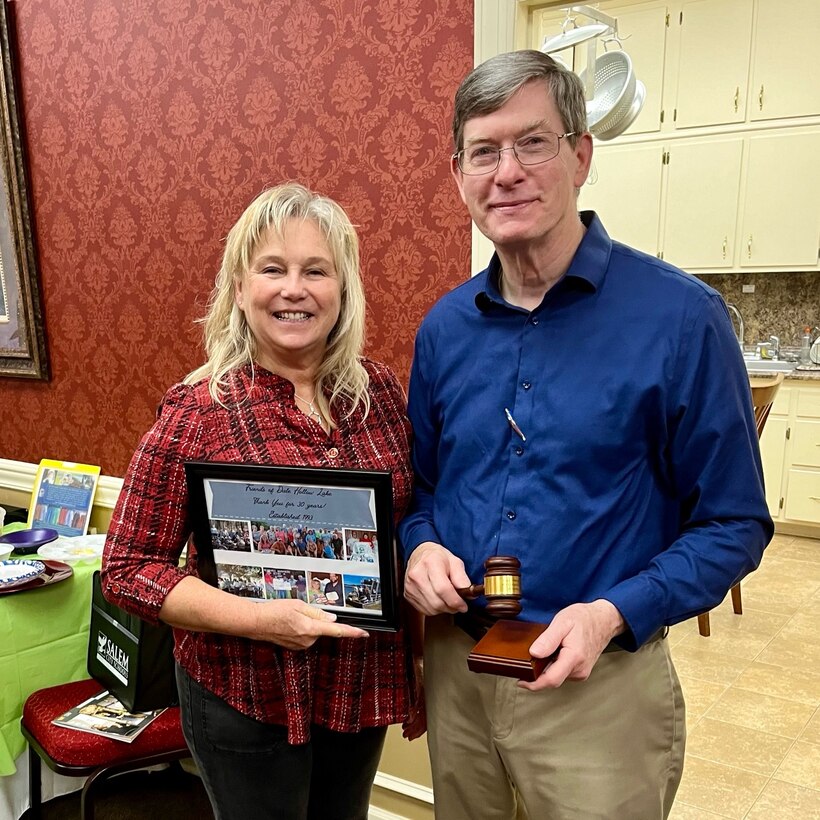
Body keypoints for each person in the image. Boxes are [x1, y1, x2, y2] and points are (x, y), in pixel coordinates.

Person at [399, 50, 772, 820]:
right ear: (459, 174)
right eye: (483, 151)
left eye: (532, 142)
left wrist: (610, 612)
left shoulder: (680, 320)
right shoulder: (443, 330)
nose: (506, 172)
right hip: (460, 672)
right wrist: (421, 545)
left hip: (598, 686)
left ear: (580, 154)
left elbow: (735, 524)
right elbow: (425, 491)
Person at [102, 182, 425, 820]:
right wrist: (259, 619)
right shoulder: (200, 410)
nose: (293, 289)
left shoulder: (381, 393)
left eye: (316, 270)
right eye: (272, 269)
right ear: (241, 288)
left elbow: (406, 518)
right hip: (245, 693)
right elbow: (127, 569)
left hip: (357, 687)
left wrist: (417, 629)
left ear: (344, 288)